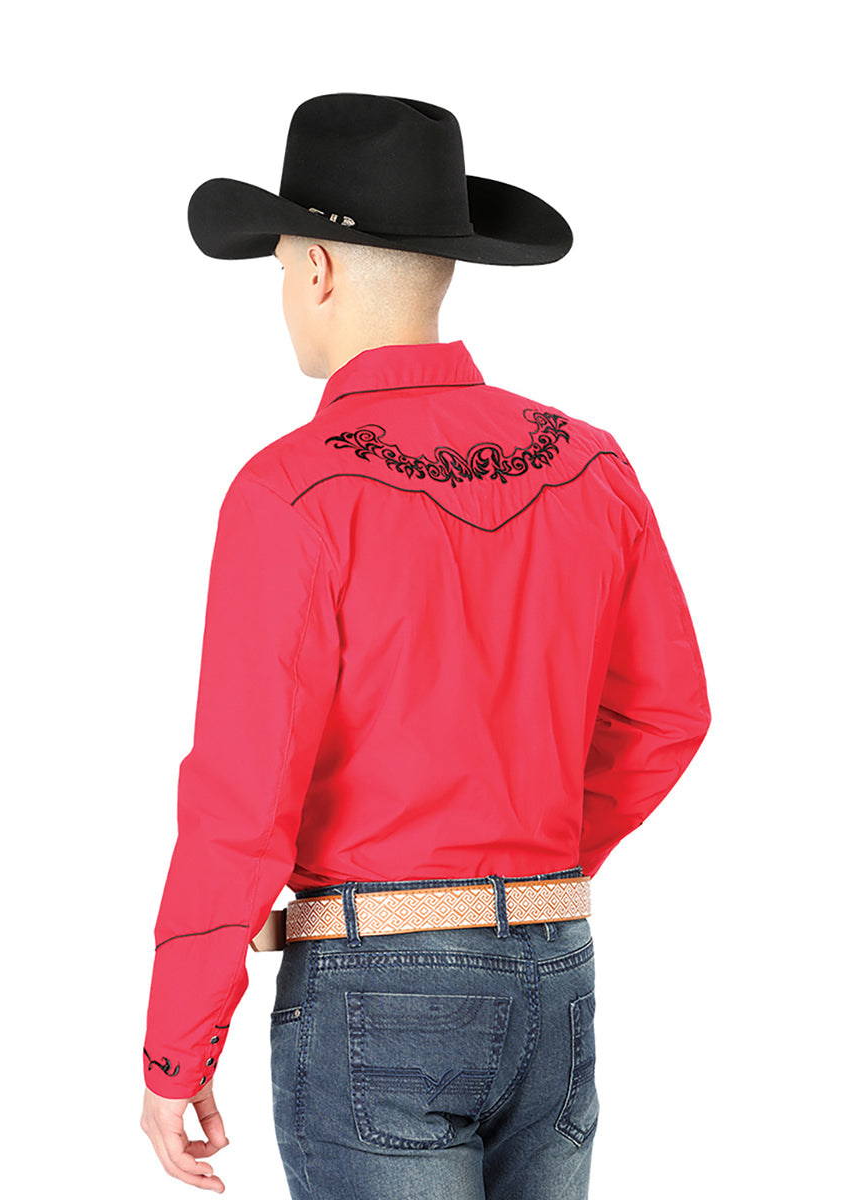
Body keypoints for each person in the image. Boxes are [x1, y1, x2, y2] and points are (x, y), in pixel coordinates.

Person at [139, 92, 711, 1199]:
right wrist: (526, 865)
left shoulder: (291, 492)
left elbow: (241, 799)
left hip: (375, 987)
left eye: (279, 268)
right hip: (555, 964)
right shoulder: (591, 466)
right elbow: (664, 716)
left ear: (315, 269)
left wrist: (178, 1046)